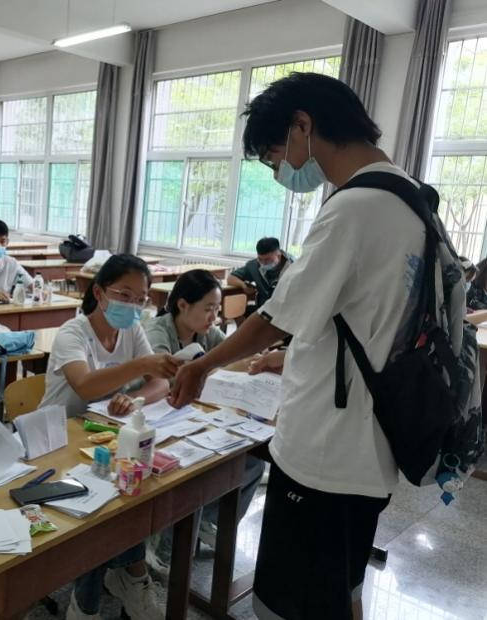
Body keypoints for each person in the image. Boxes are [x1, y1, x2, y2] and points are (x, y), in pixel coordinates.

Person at [170, 72, 432, 620]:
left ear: (302, 126)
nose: (279, 172)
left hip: (326, 455)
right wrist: (287, 357)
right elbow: (369, 325)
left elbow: (273, 317)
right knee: (343, 591)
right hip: (372, 443)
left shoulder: (356, 207)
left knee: (289, 607)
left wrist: (202, 368)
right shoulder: (409, 196)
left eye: (274, 156)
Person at [39, 253, 180, 620]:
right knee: (104, 510)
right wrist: (140, 366)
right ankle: (91, 600)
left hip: (100, 436)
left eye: (141, 298)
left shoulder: (132, 331)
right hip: (56, 441)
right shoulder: (74, 332)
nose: (133, 305)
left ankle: (128, 575)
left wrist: (134, 398)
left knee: (132, 494)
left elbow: (161, 383)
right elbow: (85, 386)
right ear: (99, 293)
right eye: (124, 295)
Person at [142, 269, 265, 573]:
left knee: (252, 462)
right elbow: (166, 381)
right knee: (193, 472)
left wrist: (255, 360)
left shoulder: (206, 333)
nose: (215, 316)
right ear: (183, 305)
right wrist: (217, 370)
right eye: (208, 308)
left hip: (194, 415)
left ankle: (208, 521)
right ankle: (165, 541)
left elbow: (233, 358)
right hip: (156, 418)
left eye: (217, 308)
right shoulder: (157, 332)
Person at [227, 237, 293, 312]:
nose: (263, 263)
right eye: (260, 259)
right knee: (237, 310)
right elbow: (231, 278)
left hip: (286, 309)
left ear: (278, 255)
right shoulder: (254, 265)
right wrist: (243, 285)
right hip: (262, 309)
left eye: (267, 260)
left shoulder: (294, 266)